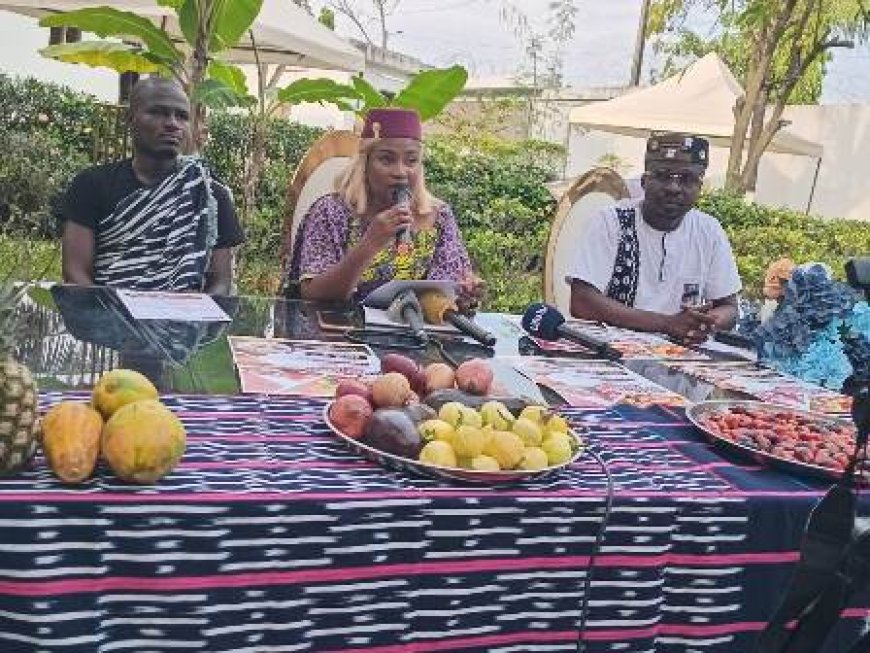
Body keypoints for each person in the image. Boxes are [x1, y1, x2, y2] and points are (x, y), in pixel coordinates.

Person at [58, 77, 244, 295]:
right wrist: (110, 320)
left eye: (182, 116)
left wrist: (192, 323)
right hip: (110, 319)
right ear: (130, 119)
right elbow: (75, 272)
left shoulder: (209, 194)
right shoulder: (92, 185)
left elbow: (221, 283)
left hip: (185, 323)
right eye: (158, 112)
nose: (173, 124)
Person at [287, 107, 481, 306]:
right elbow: (312, 294)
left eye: (411, 161)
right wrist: (369, 245)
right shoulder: (331, 211)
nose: (400, 171)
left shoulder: (439, 217)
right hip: (340, 332)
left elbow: (448, 289)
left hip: (414, 333)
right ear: (365, 163)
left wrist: (463, 295)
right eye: (386, 159)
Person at [568, 132, 742, 345]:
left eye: (686, 180)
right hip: (609, 352)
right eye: (663, 176)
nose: (673, 188)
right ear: (644, 182)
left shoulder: (709, 230)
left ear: (699, 188)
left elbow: (729, 307)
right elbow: (582, 302)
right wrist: (667, 324)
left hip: (680, 358)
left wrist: (705, 321)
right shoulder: (611, 221)